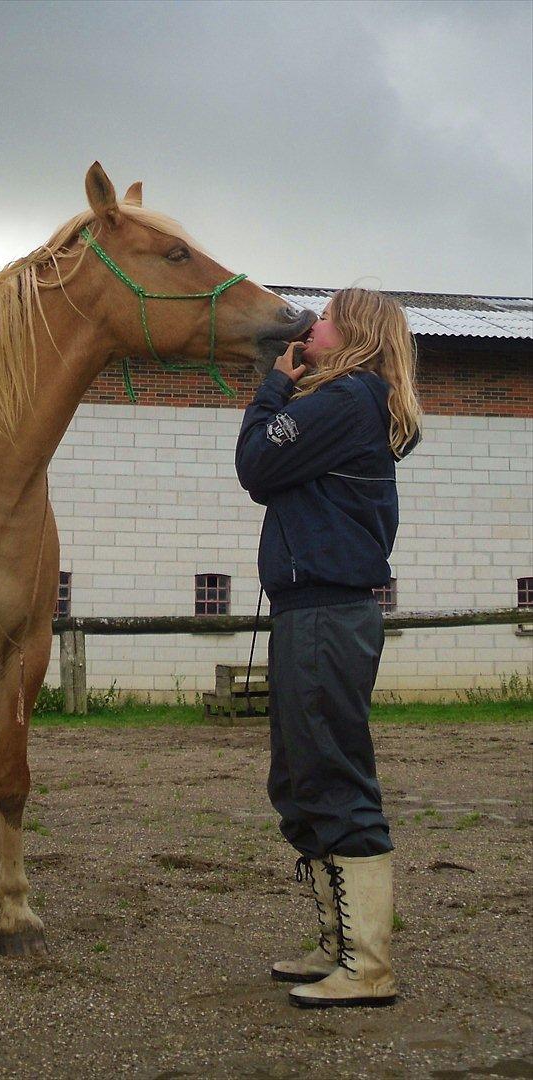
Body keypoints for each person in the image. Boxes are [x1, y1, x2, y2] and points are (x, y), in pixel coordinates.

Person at [235, 287, 421, 1008]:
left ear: (356, 335)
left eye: (330, 316)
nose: (314, 323)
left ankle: (367, 965)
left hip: (324, 613)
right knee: (299, 780)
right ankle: (339, 946)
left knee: (334, 776)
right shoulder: (348, 402)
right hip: (310, 610)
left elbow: (256, 464)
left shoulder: (345, 399)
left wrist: (276, 382)